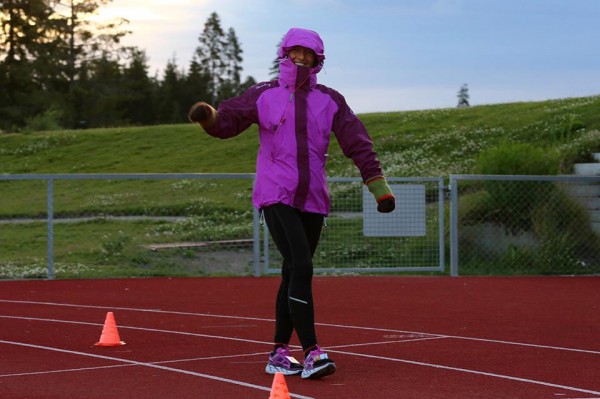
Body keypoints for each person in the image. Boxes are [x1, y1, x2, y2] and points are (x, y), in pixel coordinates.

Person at [188, 27, 395, 380]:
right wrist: (209, 117)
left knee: (291, 272)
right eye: (294, 51)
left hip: (313, 198)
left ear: (318, 58)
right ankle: (313, 352)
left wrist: (378, 186)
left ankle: (279, 353)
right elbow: (229, 120)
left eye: (308, 52)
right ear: (284, 53)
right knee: (301, 266)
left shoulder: (331, 100)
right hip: (275, 192)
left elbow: (357, 142)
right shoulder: (264, 93)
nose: (300, 57)